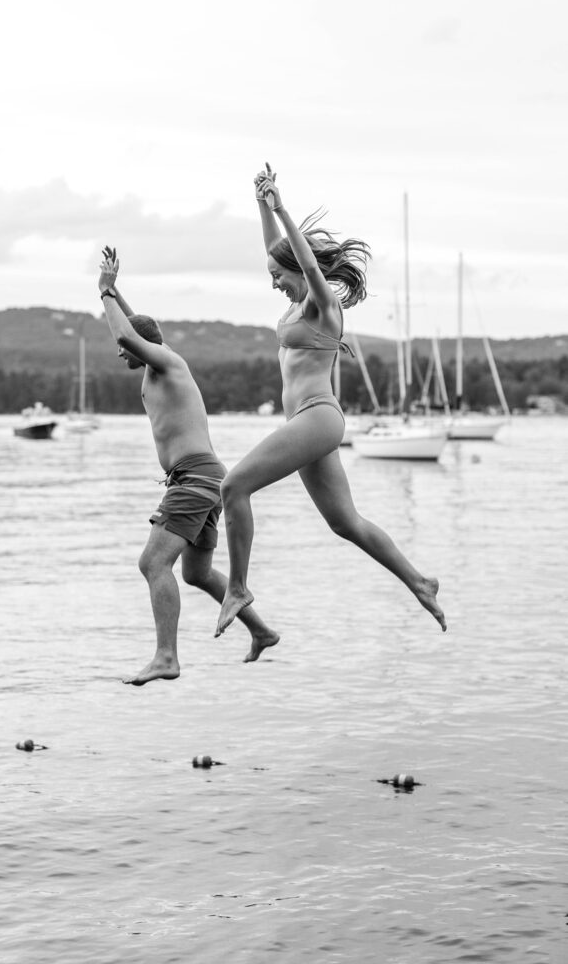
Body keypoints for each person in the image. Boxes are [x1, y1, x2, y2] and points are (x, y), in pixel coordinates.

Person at [216, 167, 446, 636]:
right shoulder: (295, 303)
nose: (274, 282)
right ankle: (420, 582)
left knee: (233, 487)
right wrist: (261, 204)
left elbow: (306, 265)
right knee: (345, 523)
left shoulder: (324, 306)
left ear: (300, 271)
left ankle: (237, 587)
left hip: (318, 418)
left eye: (279, 276)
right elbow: (277, 253)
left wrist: (282, 208)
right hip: (307, 424)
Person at [98, 246, 280, 685]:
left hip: (195, 478)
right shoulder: (156, 365)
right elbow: (137, 327)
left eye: (127, 349)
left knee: (152, 564)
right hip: (201, 478)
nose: (121, 354)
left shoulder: (166, 363)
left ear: (146, 346)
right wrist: (117, 291)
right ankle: (261, 630)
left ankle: (166, 657)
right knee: (195, 572)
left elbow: (129, 336)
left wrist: (103, 292)